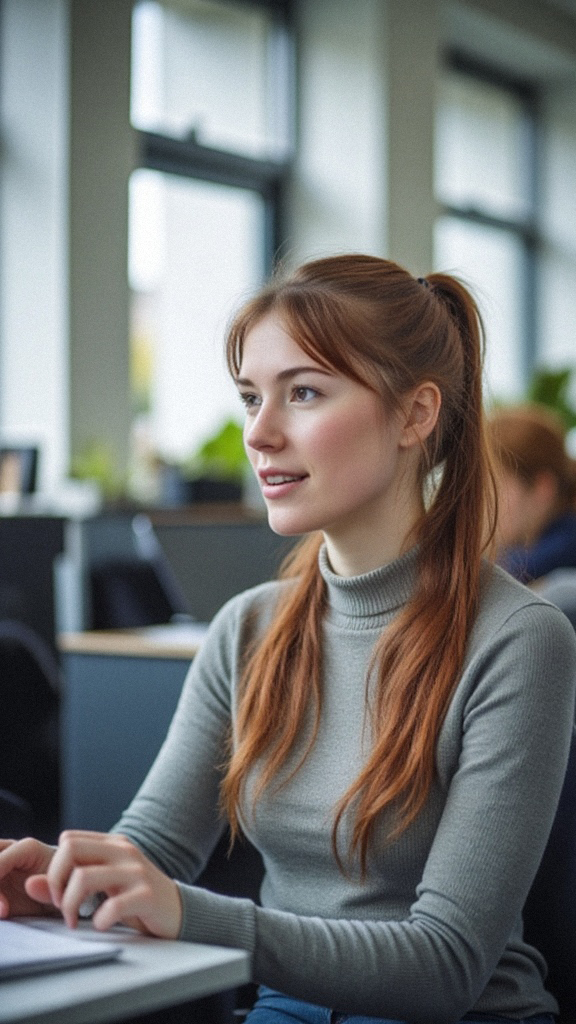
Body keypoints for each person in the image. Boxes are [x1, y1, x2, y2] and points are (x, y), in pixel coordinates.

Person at [1, 255, 575, 1024]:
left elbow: (446, 966)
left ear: (416, 414)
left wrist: (190, 913)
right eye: (249, 398)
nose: (259, 433)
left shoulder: (519, 639)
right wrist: (64, 881)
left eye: (303, 393)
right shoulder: (248, 628)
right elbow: (153, 852)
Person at [488, 403, 576, 584]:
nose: (485, 502)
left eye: (494, 486)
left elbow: (494, 581)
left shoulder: (564, 547)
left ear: (543, 488)